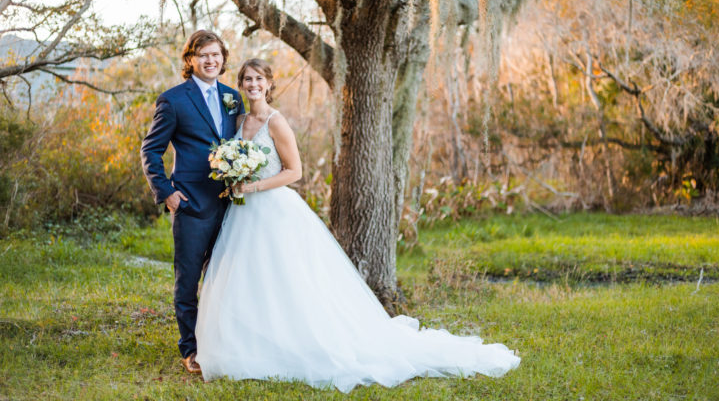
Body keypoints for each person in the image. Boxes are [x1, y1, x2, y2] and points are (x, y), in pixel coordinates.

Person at [195, 58, 520, 392]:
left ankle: (293, 344)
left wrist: (254, 186)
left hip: (274, 209)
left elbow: (295, 171)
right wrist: (234, 177)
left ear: (269, 84)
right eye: (247, 79)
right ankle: (250, 345)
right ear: (241, 83)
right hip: (242, 212)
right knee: (248, 278)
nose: (253, 85)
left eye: (259, 79)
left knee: (287, 279)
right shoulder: (238, 120)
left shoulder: (276, 123)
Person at [140, 30, 244, 374]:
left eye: (216, 55)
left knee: (224, 278)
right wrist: (167, 192)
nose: (211, 60)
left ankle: (222, 342)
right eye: (203, 55)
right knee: (187, 282)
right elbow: (150, 150)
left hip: (230, 205)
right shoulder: (173, 100)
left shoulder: (233, 97)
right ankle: (191, 349)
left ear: (223, 59)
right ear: (191, 60)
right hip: (191, 204)